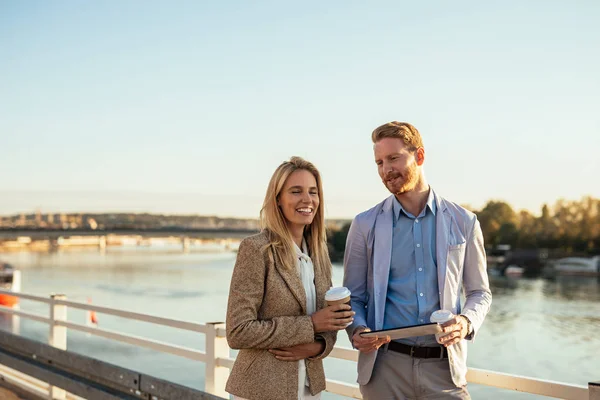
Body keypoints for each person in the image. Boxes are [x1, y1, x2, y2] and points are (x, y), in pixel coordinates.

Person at [343, 122, 492, 399]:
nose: (386, 170)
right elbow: (353, 297)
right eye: (379, 162)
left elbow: (480, 293)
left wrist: (466, 322)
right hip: (384, 369)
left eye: (393, 158)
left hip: (445, 371)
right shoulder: (364, 224)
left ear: (419, 156)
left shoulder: (465, 222)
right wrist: (359, 329)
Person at [226, 156, 354, 400]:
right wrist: (311, 325)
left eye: (313, 192)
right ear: (278, 200)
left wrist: (319, 345)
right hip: (260, 390)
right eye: (296, 191)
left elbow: (326, 324)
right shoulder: (256, 249)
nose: (307, 200)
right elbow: (238, 331)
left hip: (309, 388)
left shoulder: (319, 254)